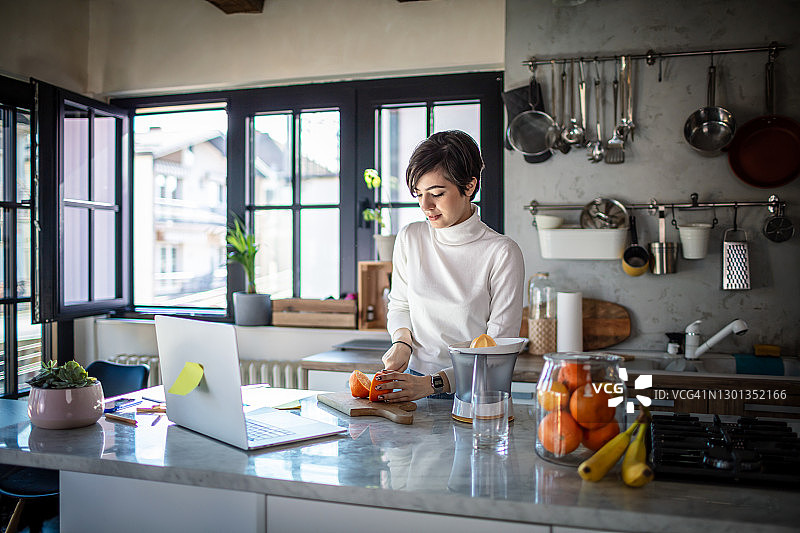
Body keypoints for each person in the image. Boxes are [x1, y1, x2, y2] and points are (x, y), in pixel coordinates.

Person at [373, 130, 525, 402]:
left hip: (475, 391)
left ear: (469, 186)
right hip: (412, 384)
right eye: (419, 194)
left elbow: (498, 349)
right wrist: (402, 343)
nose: (425, 206)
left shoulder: (502, 253)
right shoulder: (411, 238)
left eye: (437, 194)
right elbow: (400, 305)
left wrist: (434, 384)